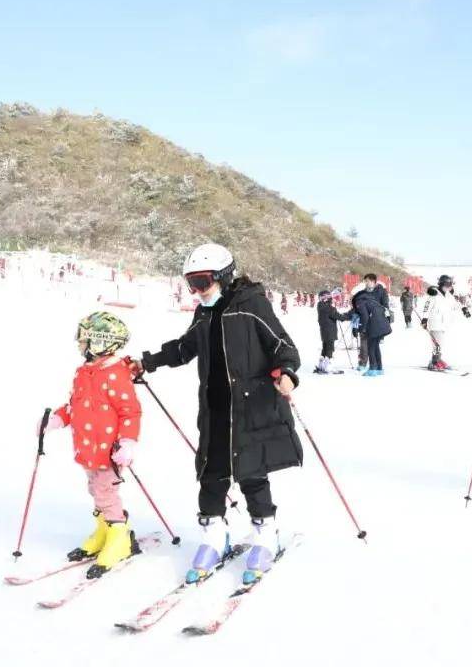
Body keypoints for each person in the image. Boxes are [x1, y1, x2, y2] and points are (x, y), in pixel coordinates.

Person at [132, 244, 302, 585]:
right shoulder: (205, 312)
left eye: (202, 281)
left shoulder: (251, 305)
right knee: (211, 474)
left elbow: (282, 344)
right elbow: (185, 347)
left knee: (252, 473)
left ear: (223, 276)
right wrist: (148, 361)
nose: (197, 290)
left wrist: (286, 371)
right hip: (214, 408)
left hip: (251, 406)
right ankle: (213, 536)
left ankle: (265, 534)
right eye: (190, 283)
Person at [40, 312, 143, 579]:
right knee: (95, 490)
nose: (79, 344)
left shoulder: (115, 375)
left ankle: (119, 538)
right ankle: (103, 531)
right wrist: (58, 419)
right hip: (87, 447)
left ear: (100, 342)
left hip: (109, 451)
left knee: (105, 492)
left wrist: (128, 442)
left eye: (83, 339)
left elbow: (130, 412)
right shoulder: (84, 372)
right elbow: (75, 405)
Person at [421, 274, 471, 370]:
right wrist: (424, 319)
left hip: (444, 323)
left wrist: (464, 309)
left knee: (439, 344)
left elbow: (456, 304)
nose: (449, 287)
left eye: (450, 285)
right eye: (448, 285)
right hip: (435, 323)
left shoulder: (448, 296)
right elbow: (426, 308)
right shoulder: (434, 295)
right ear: (442, 284)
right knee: (437, 344)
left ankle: (437, 360)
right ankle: (434, 362)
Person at [351, 274, 392, 376]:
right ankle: (377, 367)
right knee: (373, 346)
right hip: (375, 323)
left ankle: (373, 368)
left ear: (374, 281)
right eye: (365, 281)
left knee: (371, 346)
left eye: (368, 281)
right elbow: (358, 312)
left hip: (375, 322)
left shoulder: (379, 292)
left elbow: (384, 307)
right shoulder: (363, 295)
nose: (366, 283)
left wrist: (360, 328)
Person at [315, 289, 348, 373]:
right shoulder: (328, 308)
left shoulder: (320, 306)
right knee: (330, 348)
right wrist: (350, 315)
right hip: (330, 331)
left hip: (324, 331)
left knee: (325, 348)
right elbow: (340, 317)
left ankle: (321, 365)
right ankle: (327, 366)